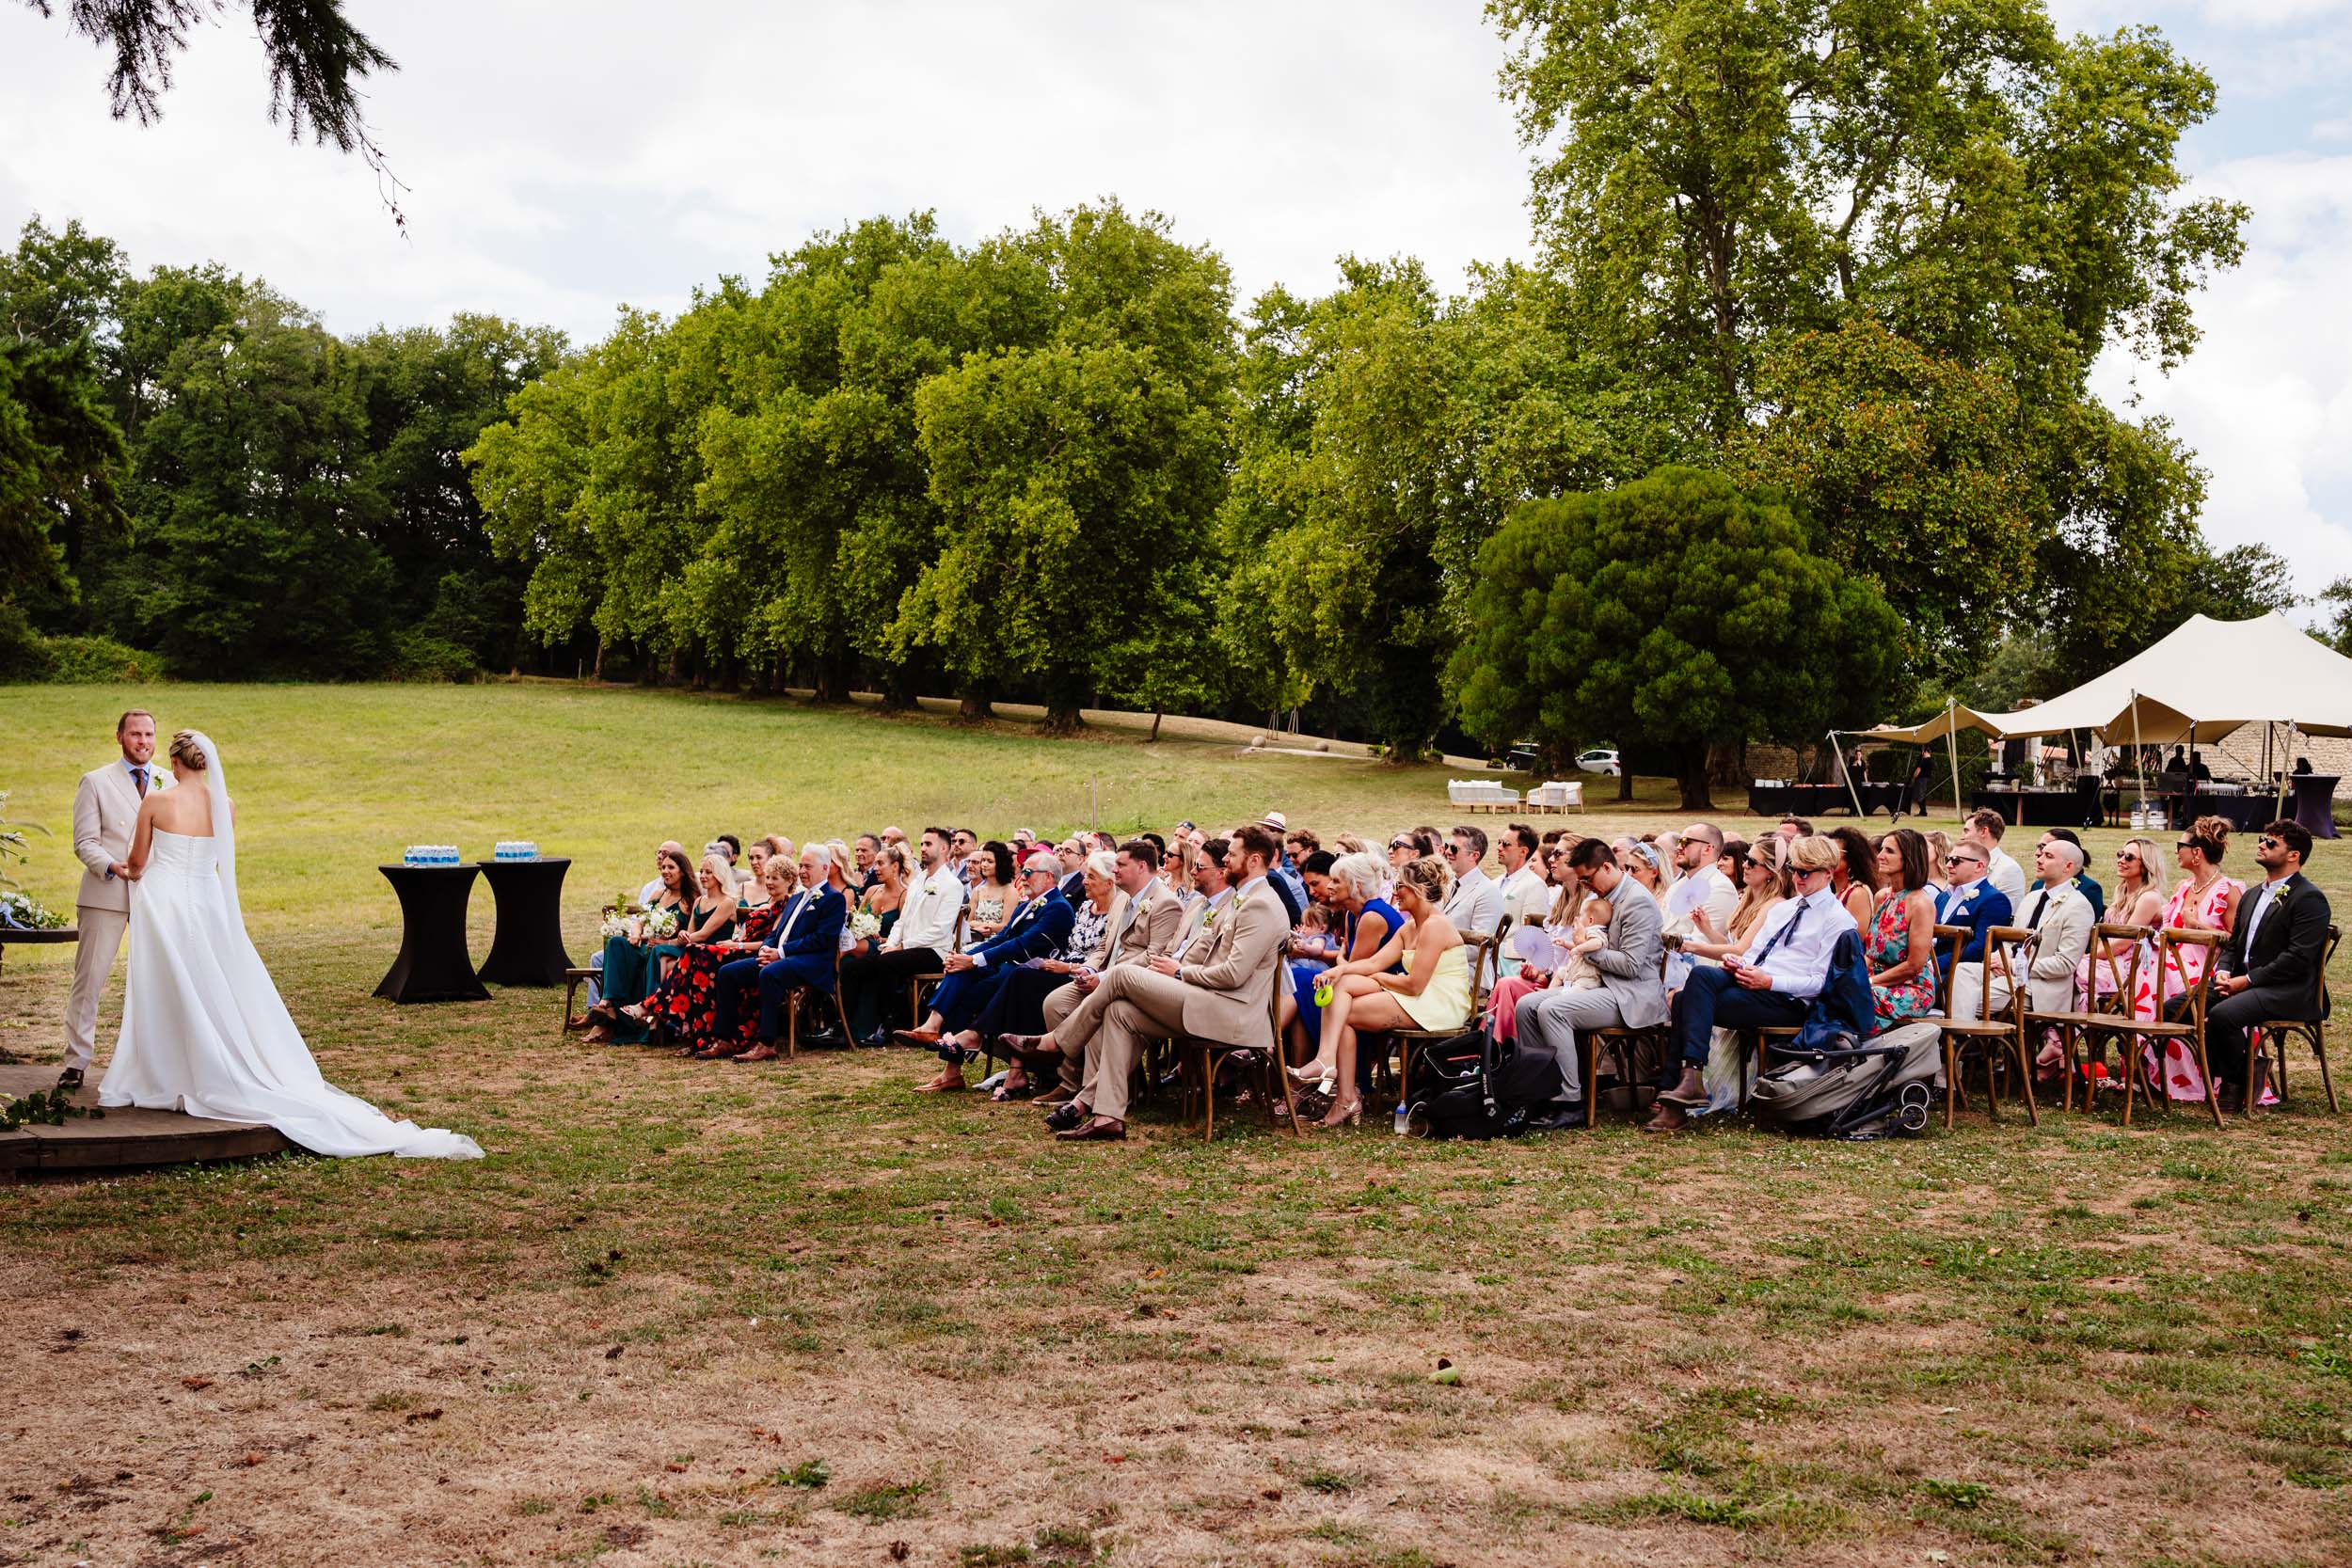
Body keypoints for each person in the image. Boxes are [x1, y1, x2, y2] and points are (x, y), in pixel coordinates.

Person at [97, 730, 481, 1158]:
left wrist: (118, 871)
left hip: (165, 903)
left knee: (165, 987)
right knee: (211, 985)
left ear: (175, 761)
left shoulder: (157, 801)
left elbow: (137, 863)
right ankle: (208, 1065)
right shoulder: (225, 806)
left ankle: (166, 1073)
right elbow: (216, 861)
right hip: (208, 904)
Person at [1009, 825, 1291, 1143]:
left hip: (1232, 1013)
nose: (1226, 860)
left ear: (1253, 860)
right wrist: (1176, 970)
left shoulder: (1260, 904)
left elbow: (1233, 975)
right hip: (1205, 998)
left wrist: (1179, 973)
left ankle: (1057, 1043)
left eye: (1232, 854)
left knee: (1122, 974)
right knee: (1119, 1011)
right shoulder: (1244, 899)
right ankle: (1107, 1116)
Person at [1647, 834, 1849, 1133]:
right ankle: (1689, 1081)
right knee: (1699, 980)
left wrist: (1769, 981)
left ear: (1827, 874)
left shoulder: (1837, 920)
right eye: (1794, 870)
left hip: (1787, 1000)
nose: (1797, 878)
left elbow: (1820, 983)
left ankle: (1677, 1094)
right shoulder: (1785, 910)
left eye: (1805, 872)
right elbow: (1751, 955)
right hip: (1752, 982)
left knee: (1686, 998)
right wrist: (1738, 964)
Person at [1289, 855, 1470, 1128]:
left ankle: (1341, 1088)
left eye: (1401, 887)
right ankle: (1338, 1083)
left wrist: (1376, 976)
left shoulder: (1435, 926)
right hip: (1415, 995)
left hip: (1439, 1002)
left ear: (1418, 891)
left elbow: (1414, 984)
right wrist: (1339, 970)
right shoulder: (1410, 926)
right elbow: (1374, 962)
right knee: (1341, 988)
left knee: (1345, 1007)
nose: (1395, 892)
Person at [1009, 840, 1186, 1101]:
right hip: (1102, 975)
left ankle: (1092, 1093)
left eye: (1121, 865)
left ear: (1141, 867)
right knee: (1055, 1003)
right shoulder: (1122, 898)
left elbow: (1154, 957)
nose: (1115, 871)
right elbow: (1105, 944)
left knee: (1100, 1011)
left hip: (1135, 984)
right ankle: (1070, 1081)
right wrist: (1089, 968)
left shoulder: (1165, 903)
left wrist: (1104, 977)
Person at [1512, 836, 1667, 1126]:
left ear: (1606, 867)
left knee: (1553, 1010)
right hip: (1596, 986)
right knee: (1526, 1005)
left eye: (1588, 879)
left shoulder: (1637, 902)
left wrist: (1587, 950)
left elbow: (1631, 967)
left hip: (1629, 995)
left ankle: (1570, 1102)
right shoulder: (1602, 898)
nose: (1586, 887)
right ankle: (1539, 1091)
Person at [60, 709, 168, 1090]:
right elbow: (84, 842)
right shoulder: (95, 781)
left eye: (149, 734)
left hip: (154, 897)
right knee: (89, 979)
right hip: (104, 892)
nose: (143, 741)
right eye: (136, 734)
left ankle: (155, 1065)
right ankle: (76, 1061)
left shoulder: (169, 783)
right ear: (119, 737)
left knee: (157, 981)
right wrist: (111, 866)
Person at [898, 850, 1074, 1078]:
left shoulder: (1058, 907)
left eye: (1029, 872)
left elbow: (1023, 944)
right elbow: (1002, 939)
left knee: (966, 993)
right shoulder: (1026, 906)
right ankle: (932, 1026)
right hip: (1005, 968)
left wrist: (973, 960)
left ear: (1049, 876)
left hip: (1028, 974)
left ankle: (954, 1065)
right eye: (1023, 871)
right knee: (960, 971)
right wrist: (966, 956)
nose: (1023, 876)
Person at [2203, 820, 2331, 1111]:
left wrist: (2246, 981)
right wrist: (2223, 971)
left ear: (2293, 855)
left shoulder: (2309, 898)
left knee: (2223, 1015)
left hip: (2290, 989)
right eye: (2263, 839)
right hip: (2245, 981)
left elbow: (2298, 959)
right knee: (2180, 1006)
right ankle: (2234, 1070)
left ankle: (2239, 1081)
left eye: (2271, 843)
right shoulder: (2251, 895)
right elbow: (2233, 945)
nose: (2262, 844)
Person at [1951, 838, 2094, 1075]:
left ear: (2069, 866)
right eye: (2040, 854)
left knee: (1964, 1001)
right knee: (1963, 972)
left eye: (2048, 856)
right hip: (2009, 976)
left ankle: (1958, 1057)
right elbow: (2011, 942)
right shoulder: (2031, 899)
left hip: (2041, 987)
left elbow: (2065, 964)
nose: (2039, 858)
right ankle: (1965, 1043)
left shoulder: (2078, 906)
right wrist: (2001, 958)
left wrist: (2017, 967)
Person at [2132, 817, 2244, 1102]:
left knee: (2155, 982)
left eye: (2180, 846)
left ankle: (2165, 1067)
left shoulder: (2228, 890)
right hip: (2173, 959)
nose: (2176, 851)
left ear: (2197, 853)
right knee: (2139, 975)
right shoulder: (2184, 887)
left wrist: (2197, 926)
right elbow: (2166, 925)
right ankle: (2150, 1066)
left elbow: (2236, 941)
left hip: (2209, 967)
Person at [710, 845, 849, 1063]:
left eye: (808, 866)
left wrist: (780, 953)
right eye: (801, 865)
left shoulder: (833, 898)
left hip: (812, 963)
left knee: (770, 973)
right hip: (782, 957)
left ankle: (767, 1044)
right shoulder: (795, 898)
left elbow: (822, 939)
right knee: (728, 972)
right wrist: (767, 948)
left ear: (824, 868)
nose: (802, 870)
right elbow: (777, 933)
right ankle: (724, 1039)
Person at [1276, 851, 1406, 1080]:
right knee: (1300, 982)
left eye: (1336, 881)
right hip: (1359, 983)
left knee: (1301, 982)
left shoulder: (1372, 916)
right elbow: (1345, 961)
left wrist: (1341, 959)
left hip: (1381, 989)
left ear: (1355, 885)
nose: (1331, 886)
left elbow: (1352, 967)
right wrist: (1341, 959)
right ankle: (1298, 1078)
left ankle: (1269, 1046)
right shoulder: (1352, 915)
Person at [838, 828, 967, 1046]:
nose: (923, 848)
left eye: (929, 844)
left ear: (944, 849)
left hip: (935, 951)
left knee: (889, 962)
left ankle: (890, 1024)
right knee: (853, 965)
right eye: (922, 844)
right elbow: (901, 921)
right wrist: (890, 943)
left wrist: (902, 946)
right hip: (905, 949)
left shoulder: (952, 885)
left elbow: (941, 929)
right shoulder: (917, 882)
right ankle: (845, 1026)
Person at [670, 854, 799, 1058]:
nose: (769, 882)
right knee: (697, 953)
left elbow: (772, 941)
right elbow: (744, 931)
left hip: (758, 953)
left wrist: (737, 944)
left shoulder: (787, 905)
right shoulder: (766, 903)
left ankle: (663, 1004)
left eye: (775, 878)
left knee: (701, 953)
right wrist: (735, 941)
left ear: (789, 881)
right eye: (767, 878)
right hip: (740, 948)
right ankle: (701, 1036)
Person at [612, 853, 740, 1037]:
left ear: (719, 875)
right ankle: (657, 1014)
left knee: (661, 952)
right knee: (661, 954)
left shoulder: (726, 902)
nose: (703, 876)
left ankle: (652, 1008)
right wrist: (682, 935)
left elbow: (703, 934)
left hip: (714, 954)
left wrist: (680, 939)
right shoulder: (699, 901)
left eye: (709, 872)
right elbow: (689, 933)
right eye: (702, 871)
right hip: (694, 951)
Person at [584, 847, 695, 1044]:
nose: (665, 871)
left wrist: (664, 941)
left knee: (652, 952)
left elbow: (688, 936)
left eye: (671, 867)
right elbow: (639, 920)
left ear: (682, 872)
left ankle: (644, 1016)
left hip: (669, 950)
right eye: (663, 867)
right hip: (646, 944)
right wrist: (636, 934)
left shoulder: (688, 902)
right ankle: (607, 1002)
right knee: (617, 942)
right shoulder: (657, 895)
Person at [1865, 829, 1939, 1026]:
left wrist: (1870, 982)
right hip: (1876, 980)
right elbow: (1871, 953)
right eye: (1881, 850)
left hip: (1910, 987)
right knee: (1832, 989)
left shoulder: (1921, 904)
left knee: (1856, 997)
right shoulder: (1882, 897)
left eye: (1889, 851)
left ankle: (1850, 1047)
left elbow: (1914, 966)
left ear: (1908, 858)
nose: (1880, 856)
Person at [1660, 822, 1738, 974]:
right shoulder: (1677, 886)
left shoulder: (1720, 887)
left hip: (1689, 974)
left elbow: (1706, 948)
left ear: (1707, 848)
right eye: (1678, 842)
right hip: (1659, 963)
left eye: (1685, 842)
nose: (1678, 847)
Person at [1934, 840, 2013, 968]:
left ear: (1979, 866)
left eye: (1956, 860)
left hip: (1955, 973)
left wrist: (1933, 965)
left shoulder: (1994, 900)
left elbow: (1980, 948)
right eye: (1947, 859)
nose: (1949, 865)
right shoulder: (1943, 897)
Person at [1962, 809, 2028, 905]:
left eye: (1966, 831)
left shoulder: (2009, 870)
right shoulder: (1962, 863)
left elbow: (2009, 913)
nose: (1962, 837)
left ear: (1984, 831)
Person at [2039, 828, 2105, 921]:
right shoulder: (2038, 886)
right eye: (2040, 847)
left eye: (2047, 852)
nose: (2037, 853)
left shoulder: (2088, 889)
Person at [963, 842, 1019, 946]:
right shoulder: (978, 891)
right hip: (975, 938)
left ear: (1000, 864)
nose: (984, 865)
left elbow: (1006, 926)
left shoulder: (1010, 892)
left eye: (990, 861)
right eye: (983, 860)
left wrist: (985, 927)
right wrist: (978, 928)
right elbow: (968, 921)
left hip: (997, 943)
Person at [1828, 825, 1877, 935]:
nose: (1826, 855)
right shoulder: (1834, 890)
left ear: (1850, 858)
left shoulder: (1858, 894)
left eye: (1833, 851)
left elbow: (1856, 939)